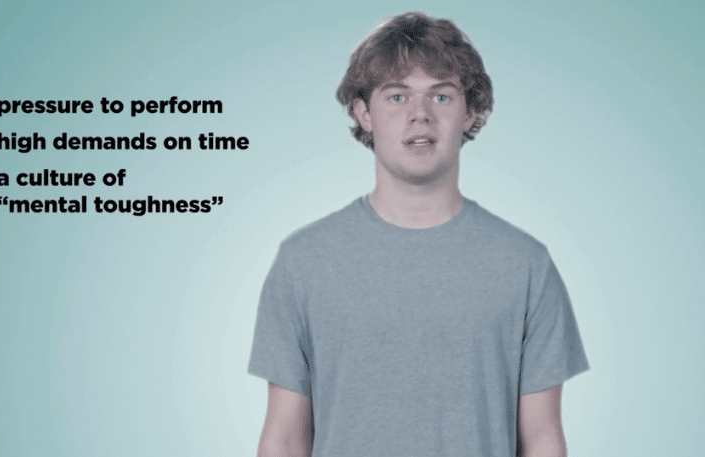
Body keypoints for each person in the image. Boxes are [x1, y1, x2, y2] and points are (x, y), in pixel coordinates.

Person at [247, 11, 589, 457]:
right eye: (396, 96)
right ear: (363, 113)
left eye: (441, 96)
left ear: (471, 111)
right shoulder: (303, 261)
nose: (420, 115)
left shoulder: (526, 265)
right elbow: (285, 438)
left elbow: (543, 439)